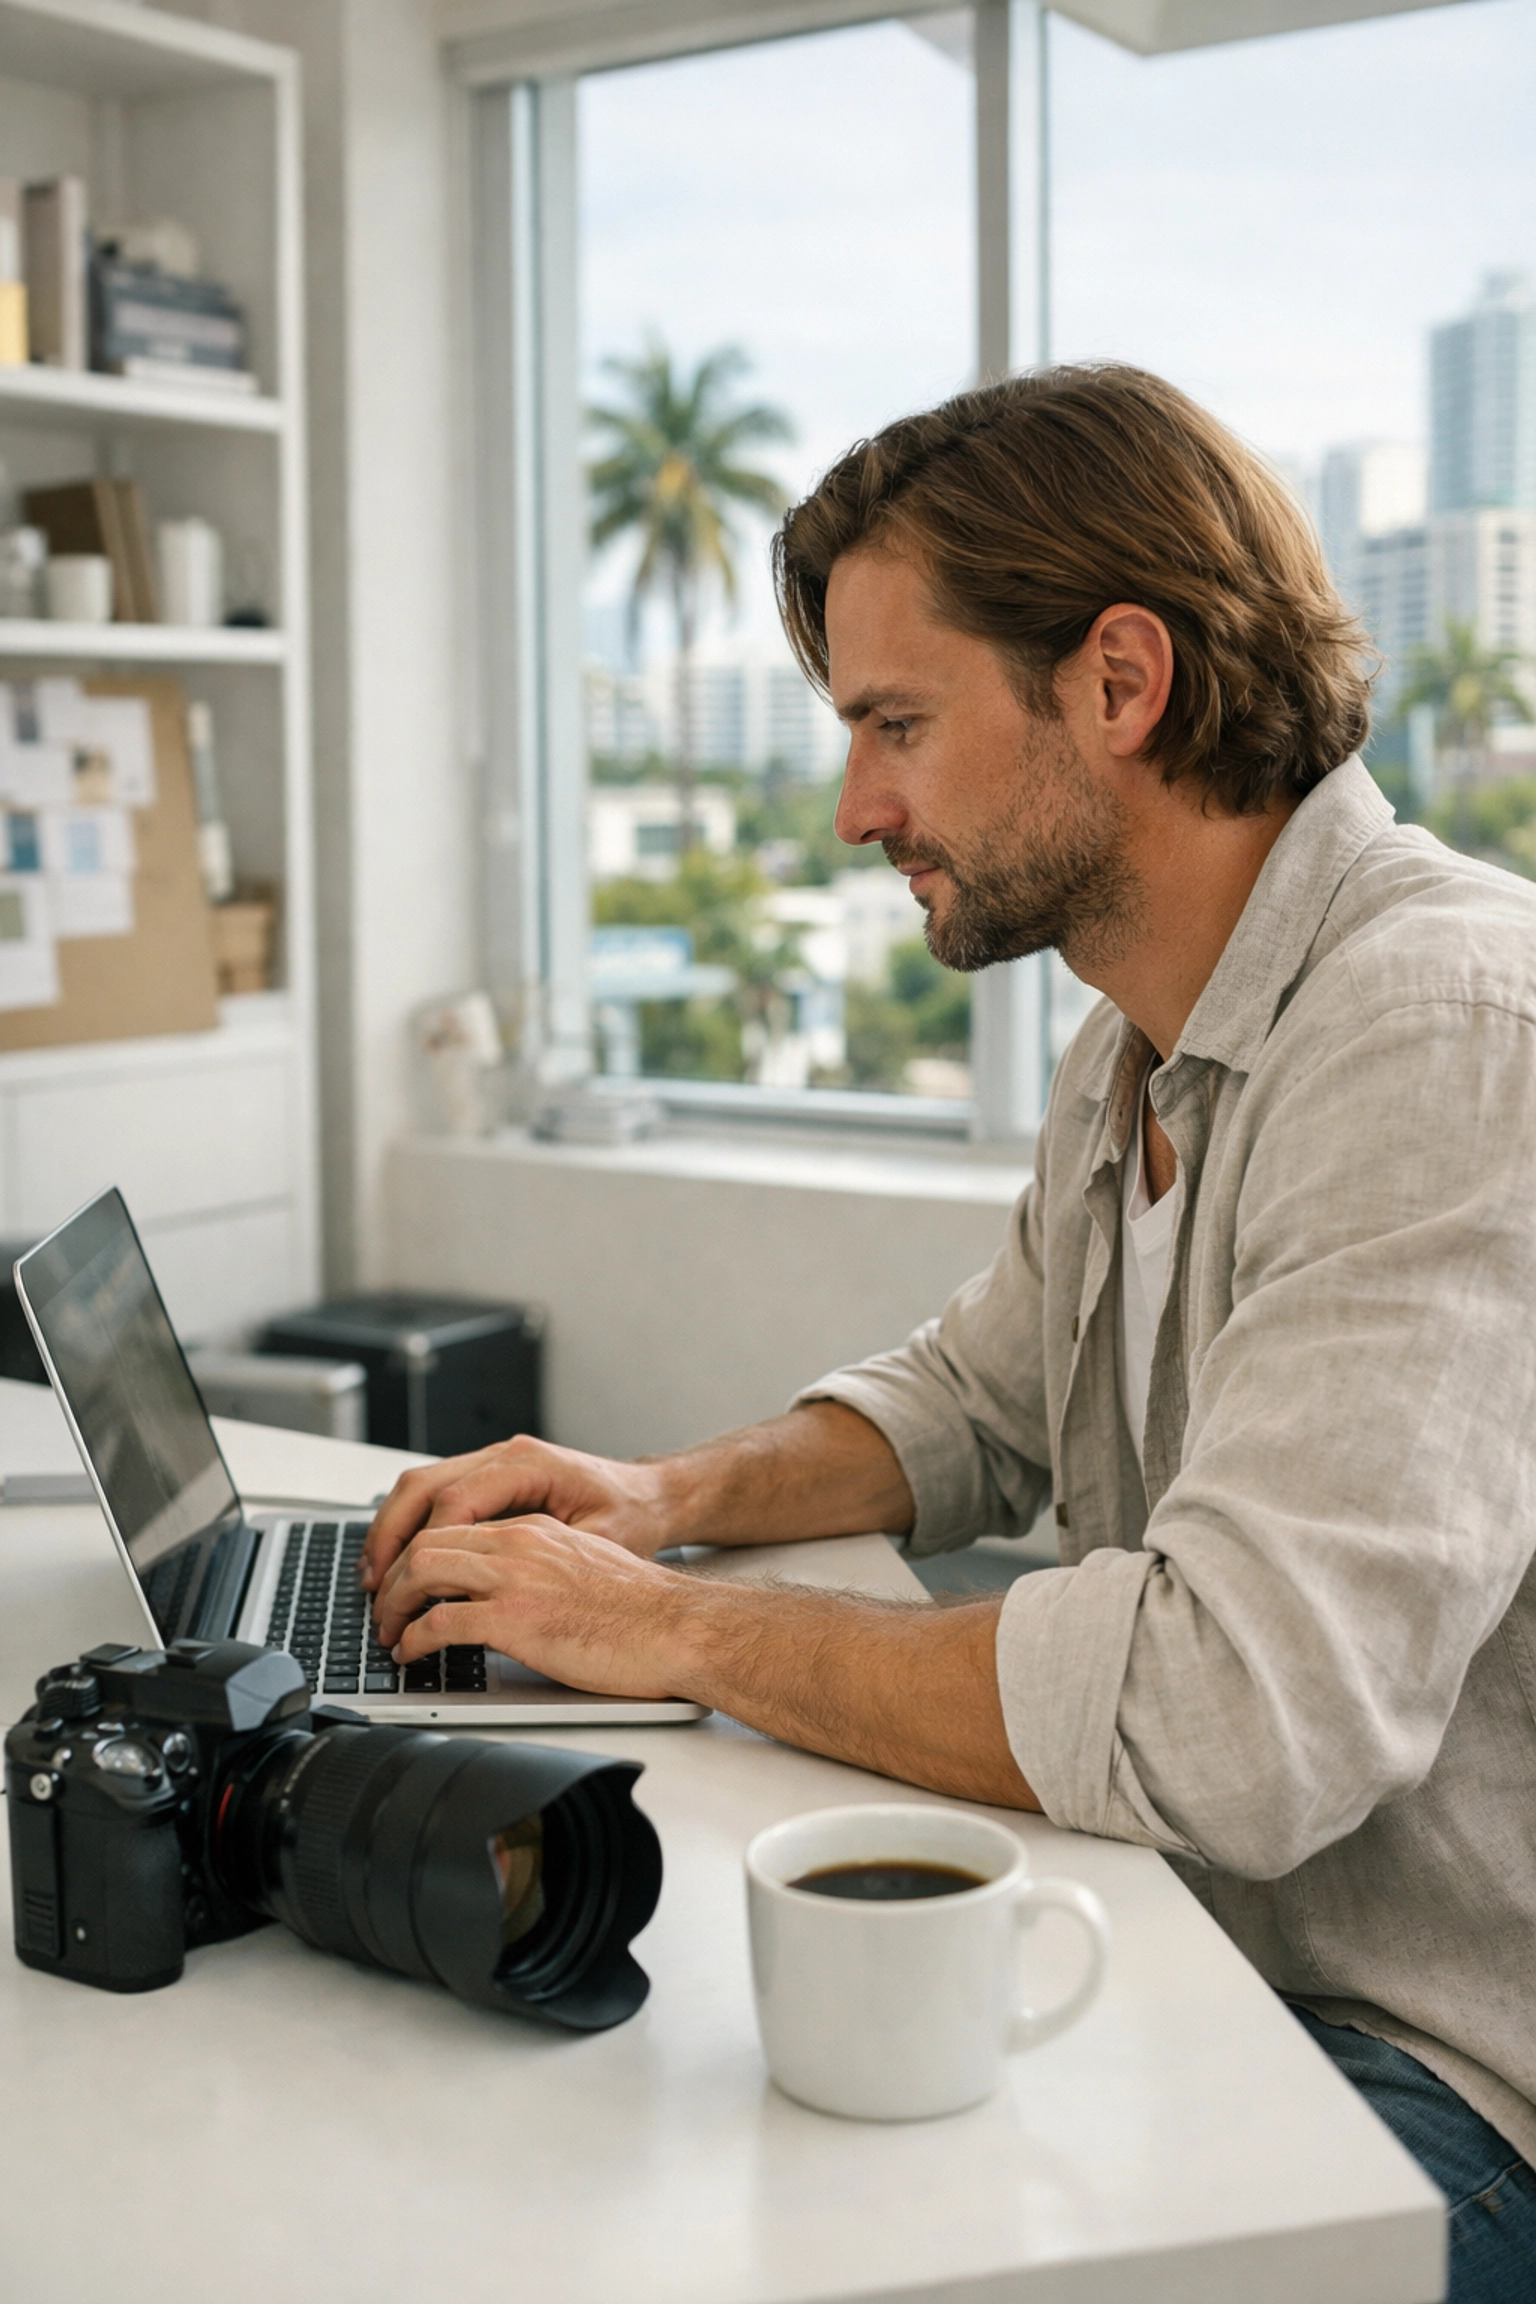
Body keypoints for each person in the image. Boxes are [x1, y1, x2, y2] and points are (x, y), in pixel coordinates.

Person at [363, 365, 1536, 2297]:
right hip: (1197, 1943)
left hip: (1444, 2076)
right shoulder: (1134, 1045)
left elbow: (1229, 1716)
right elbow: (976, 1398)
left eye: (895, 723)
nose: (854, 810)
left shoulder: (1437, 1029)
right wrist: (654, 1495)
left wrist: (666, 1631)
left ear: (1121, 683)